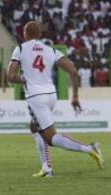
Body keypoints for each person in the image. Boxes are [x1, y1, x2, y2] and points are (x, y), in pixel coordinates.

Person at [7, 21, 104, 177]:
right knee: (34, 126)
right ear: (40, 35)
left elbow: (10, 77)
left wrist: (24, 79)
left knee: (51, 137)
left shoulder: (20, 49)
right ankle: (46, 167)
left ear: (25, 34)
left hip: (36, 97)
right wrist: (75, 97)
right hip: (51, 95)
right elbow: (73, 71)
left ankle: (89, 148)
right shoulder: (51, 50)